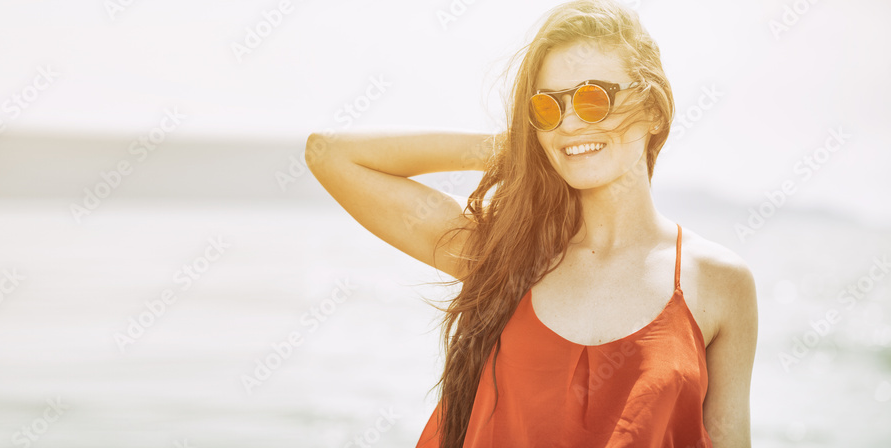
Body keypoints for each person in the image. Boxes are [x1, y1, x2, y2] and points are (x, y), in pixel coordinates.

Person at [306, 0, 757, 446]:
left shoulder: (718, 281)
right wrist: (510, 149)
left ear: (654, 110)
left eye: (594, 98)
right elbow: (329, 154)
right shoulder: (501, 250)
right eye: (548, 108)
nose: (571, 122)